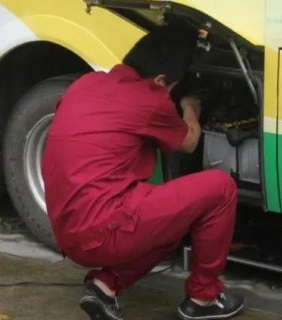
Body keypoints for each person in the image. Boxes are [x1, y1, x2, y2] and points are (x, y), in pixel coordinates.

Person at [41, 25, 244, 320]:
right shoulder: (149, 98)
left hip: (65, 230)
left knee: (172, 223)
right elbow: (189, 142)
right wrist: (190, 107)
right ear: (160, 80)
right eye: (172, 87)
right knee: (221, 188)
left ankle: (104, 286)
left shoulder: (86, 83)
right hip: (104, 230)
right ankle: (203, 298)